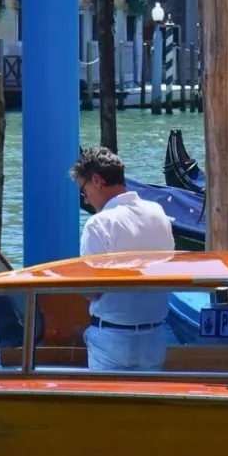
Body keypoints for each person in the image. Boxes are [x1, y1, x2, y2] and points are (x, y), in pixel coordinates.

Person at [72, 146, 174, 371]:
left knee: (107, 404)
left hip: (113, 336)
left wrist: (73, 281)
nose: (85, 199)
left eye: (83, 189)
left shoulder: (99, 223)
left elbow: (93, 291)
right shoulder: (158, 214)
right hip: (154, 335)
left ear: (97, 180)